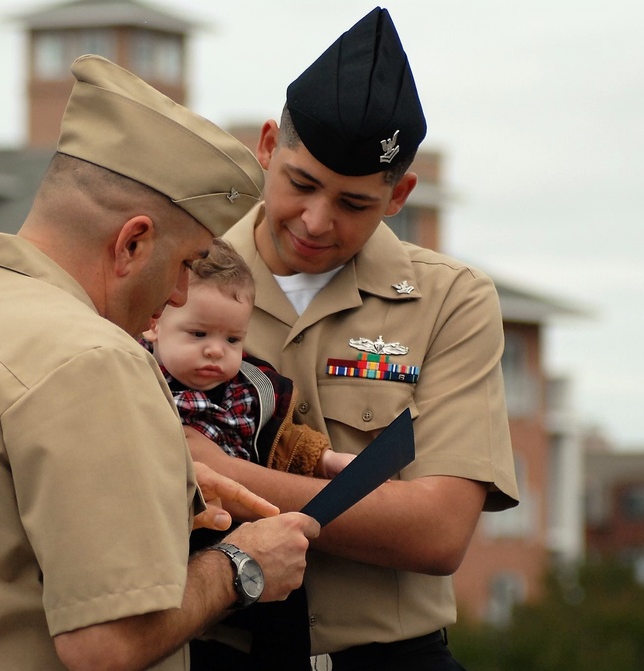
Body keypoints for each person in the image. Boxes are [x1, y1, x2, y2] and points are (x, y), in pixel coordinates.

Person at [0, 55, 320, 671]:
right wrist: (241, 566)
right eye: (188, 264)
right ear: (132, 242)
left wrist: (168, 489)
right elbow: (105, 645)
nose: (179, 296)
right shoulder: (94, 358)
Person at [188, 8, 521, 670]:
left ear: (399, 194)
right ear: (265, 147)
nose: (316, 220)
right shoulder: (178, 276)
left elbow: (437, 531)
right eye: (301, 184)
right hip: (215, 649)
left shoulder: (452, 301)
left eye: (354, 203)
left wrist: (219, 471)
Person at [141, 238, 354, 669]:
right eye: (198, 334)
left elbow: (284, 440)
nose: (216, 350)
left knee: (287, 599)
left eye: (233, 338)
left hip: (239, 523)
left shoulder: (251, 390)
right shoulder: (136, 379)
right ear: (154, 325)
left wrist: (329, 460)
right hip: (167, 528)